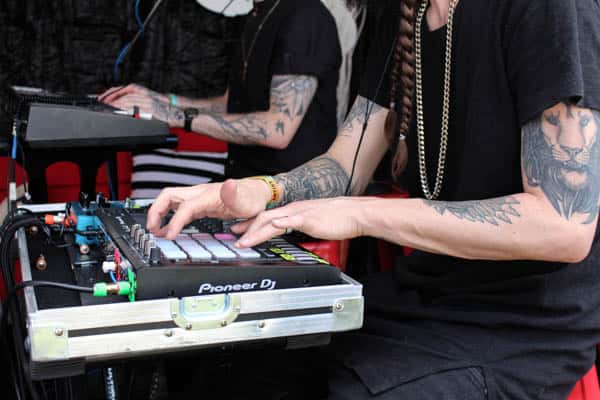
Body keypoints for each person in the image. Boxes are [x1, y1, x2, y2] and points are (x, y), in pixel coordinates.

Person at [145, 0, 600, 398]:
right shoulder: (407, 15)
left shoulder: (549, 8)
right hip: (424, 295)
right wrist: (262, 190)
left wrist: (361, 213)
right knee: (235, 362)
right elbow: (346, 164)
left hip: (523, 325)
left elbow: (562, 227)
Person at [99, 0, 350, 180]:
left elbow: (277, 130)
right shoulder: (258, 15)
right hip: (243, 184)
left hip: (287, 198)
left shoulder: (305, 18)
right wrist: (163, 100)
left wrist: (176, 116)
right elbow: (231, 102)